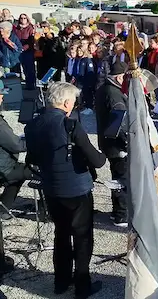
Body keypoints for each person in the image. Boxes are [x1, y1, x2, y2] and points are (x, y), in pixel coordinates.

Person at [25, 82, 106, 298]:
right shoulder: (70, 125)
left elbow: (31, 158)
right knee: (82, 237)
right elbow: (97, 161)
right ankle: (82, 286)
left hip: (52, 190)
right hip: (77, 190)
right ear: (67, 102)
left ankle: (61, 282)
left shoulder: (32, 126)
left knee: (60, 234)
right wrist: (105, 154)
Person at [95, 61, 128, 227]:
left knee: (117, 176)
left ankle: (118, 211)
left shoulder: (103, 88)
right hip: (116, 145)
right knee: (122, 178)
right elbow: (119, 122)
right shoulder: (114, 93)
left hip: (107, 141)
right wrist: (127, 143)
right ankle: (121, 214)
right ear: (120, 77)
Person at [0, 80, 32, 217]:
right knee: (36, 171)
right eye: (0, 95)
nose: (2, 98)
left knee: (18, 174)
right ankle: (46, 209)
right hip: (3, 169)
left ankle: (4, 209)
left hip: (3, 165)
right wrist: (32, 141)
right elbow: (16, 146)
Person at [13, 14, 36, 89]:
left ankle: (31, 85)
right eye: (21, 18)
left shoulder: (30, 28)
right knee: (18, 68)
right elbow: (14, 38)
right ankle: (18, 84)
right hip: (17, 51)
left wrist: (23, 48)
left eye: (24, 18)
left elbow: (31, 41)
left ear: (27, 19)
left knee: (29, 69)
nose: (23, 19)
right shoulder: (16, 28)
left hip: (28, 51)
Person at [77, 44, 96, 115]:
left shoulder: (88, 60)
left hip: (87, 81)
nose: (79, 52)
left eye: (80, 51)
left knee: (88, 94)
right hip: (82, 81)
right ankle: (87, 106)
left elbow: (90, 71)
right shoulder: (81, 60)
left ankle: (90, 107)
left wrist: (90, 83)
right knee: (85, 94)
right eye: (78, 51)